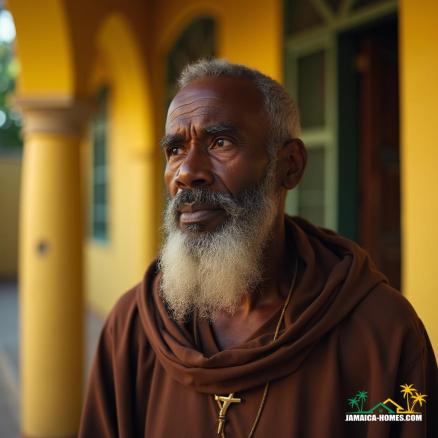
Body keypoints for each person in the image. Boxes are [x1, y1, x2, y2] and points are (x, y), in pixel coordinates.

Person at [79, 59, 437, 437]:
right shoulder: (131, 326)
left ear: (290, 166)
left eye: (220, 142)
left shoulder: (381, 333)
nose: (187, 171)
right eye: (175, 149)